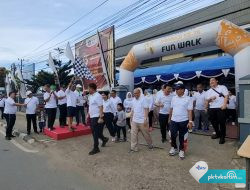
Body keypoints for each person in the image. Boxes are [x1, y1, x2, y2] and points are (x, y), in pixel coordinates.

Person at [168, 82, 193, 159]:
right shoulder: (174, 98)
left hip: (183, 121)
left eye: (178, 89)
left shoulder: (188, 99)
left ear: (183, 90)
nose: (176, 90)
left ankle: (181, 150)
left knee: (182, 137)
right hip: (174, 120)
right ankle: (174, 148)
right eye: (176, 89)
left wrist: (190, 121)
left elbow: (190, 111)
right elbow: (171, 109)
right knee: (172, 135)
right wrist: (169, 119)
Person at [205, 78, 229, 144]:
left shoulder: (222, 87)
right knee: (213, 123)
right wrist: (210, 99)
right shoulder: (209, 91)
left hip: (221, 108)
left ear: (217, 81)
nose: (211, 82)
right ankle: (218, 133)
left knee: (222, 123)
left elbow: (226, 96)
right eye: (210, 81)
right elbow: (207, 101)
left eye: (213, 80)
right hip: (212, 108)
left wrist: (224, 104)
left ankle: (222, 137)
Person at [88, 83, 109, 155]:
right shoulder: (90, 96)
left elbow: (101, 107)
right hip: (91, 116)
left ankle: (96, 148)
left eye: (89, 88)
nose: (88, 89)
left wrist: (101, 117)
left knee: (95, 133)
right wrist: (88, 115)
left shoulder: (98, 96)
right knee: (95, 132)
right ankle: (104, 139)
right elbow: (90, 106)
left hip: (96, 116)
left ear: (92, 88)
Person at [130, 88, 153, 152]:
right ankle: (133, 147)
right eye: (134, 93)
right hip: (135, 120)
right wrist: (131, 118)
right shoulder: (133, 100)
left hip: (142, 121)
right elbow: (133, 110)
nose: (135, 94)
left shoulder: (143, 99)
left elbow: (146, 109)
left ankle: (150, 144)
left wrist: (145, 119)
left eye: (137, 93)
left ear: (139, 93)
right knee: (133, 134)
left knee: (146, 134)